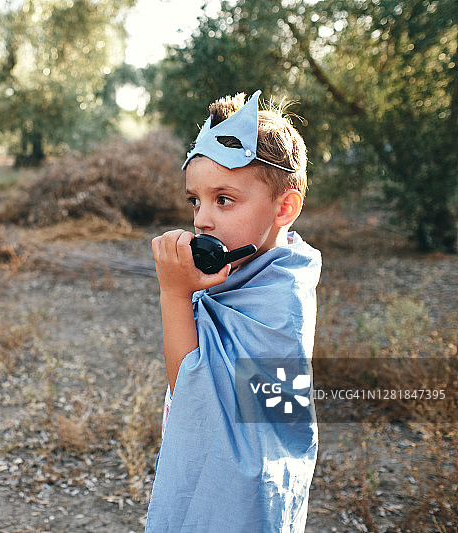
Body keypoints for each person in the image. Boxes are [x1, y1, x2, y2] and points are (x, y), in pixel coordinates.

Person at [146, 90, 321, 532]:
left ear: (285, 208)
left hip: (244, 502)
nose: (202, 219)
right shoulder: (240, 275)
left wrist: (174, 296)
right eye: (195, 201)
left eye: (223, 199)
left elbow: (192, 391)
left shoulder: (281, 299)